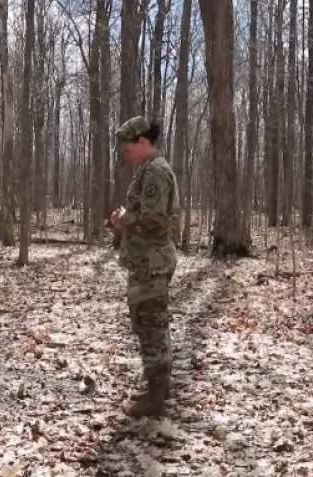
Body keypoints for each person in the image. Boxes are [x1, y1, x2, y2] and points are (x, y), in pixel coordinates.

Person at [108, 115, 179, 418]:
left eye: (127, 149)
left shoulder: (156, 173)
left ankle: (157, 394)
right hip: (144, 260)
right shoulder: (147, 171)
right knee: (147, 323)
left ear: (142, 142)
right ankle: (157, 386)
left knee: (151, 326)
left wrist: (122, 220)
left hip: (152, 261)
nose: (126, 155)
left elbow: (154, 218)